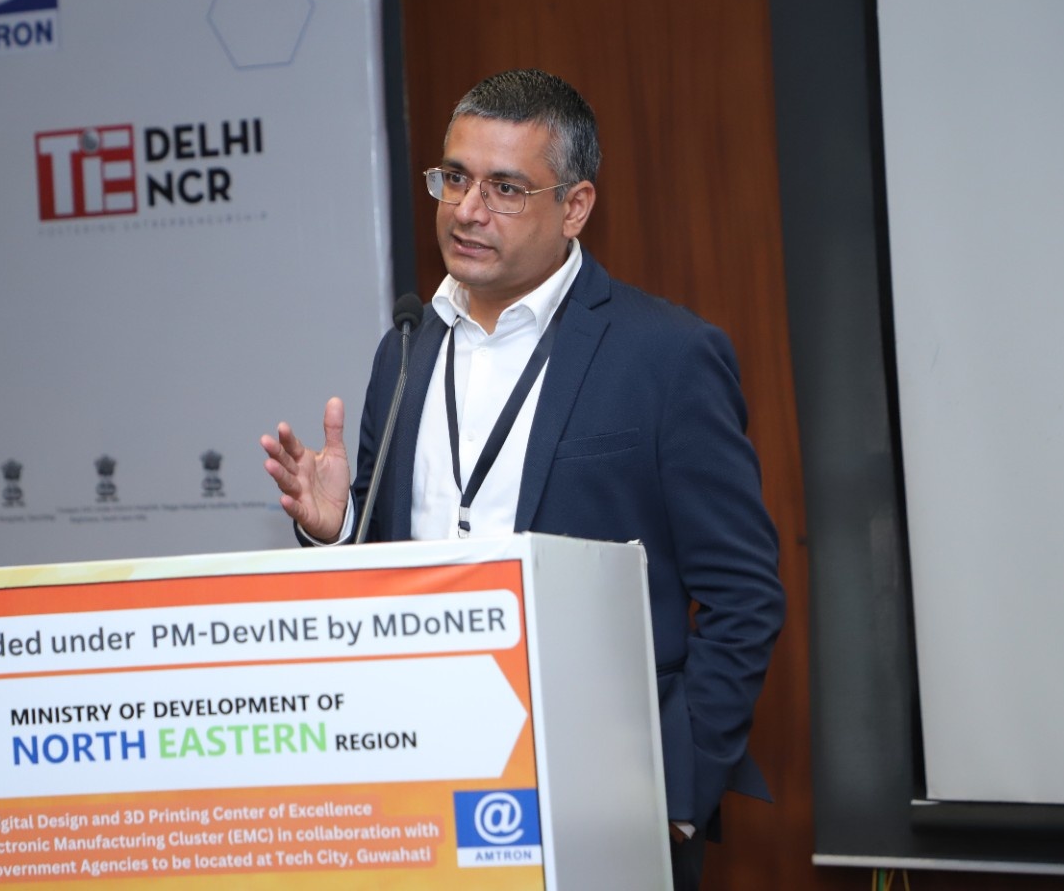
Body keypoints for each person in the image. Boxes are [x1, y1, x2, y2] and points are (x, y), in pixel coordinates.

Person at [261, 68, 785, 889]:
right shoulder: (406, 349)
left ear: (575, 207)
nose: (467, 210)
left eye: (505, 188)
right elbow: (388, 567)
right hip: (421, 786)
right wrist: (338, 532)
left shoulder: (667, 356)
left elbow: (743, 594)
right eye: (455, 178)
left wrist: (672, 796)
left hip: (599, 798)